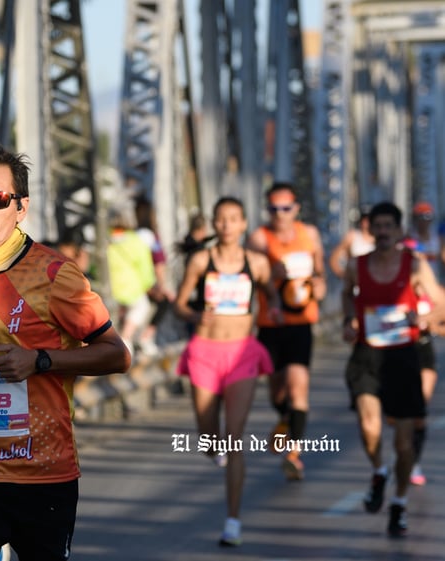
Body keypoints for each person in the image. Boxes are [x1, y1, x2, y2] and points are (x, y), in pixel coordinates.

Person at [0, 145, 131, 561]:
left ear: (21, 207)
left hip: (42, 472)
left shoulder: (56, 276)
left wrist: (41, 360)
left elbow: (116, 355)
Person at [174, 197, 280, 547]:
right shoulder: (202, 260)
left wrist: (276, 307)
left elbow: (270, 293)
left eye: (233, 219)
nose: (227, 225)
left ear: (244, 223)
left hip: (242, 354)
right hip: (204, 352)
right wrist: (193, 316)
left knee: (234, 437)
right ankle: (212, 448)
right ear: (215, 224)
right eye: (221, 219)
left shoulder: (258, 263)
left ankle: (232, 520)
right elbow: (179, 302)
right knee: (208, 434)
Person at [341, 200, 444, 538]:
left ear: (400, 232)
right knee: (369, 424)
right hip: (367, 354)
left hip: (402, 357)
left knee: (403, 443)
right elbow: (346, 295)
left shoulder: (414, 266)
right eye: (377, 226)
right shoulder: (357, 266)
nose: (383, 233)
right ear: (370, 230)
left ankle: (398, 502)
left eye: (389, 227)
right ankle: (378, 471)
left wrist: (425, 319)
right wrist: (348, 320)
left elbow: (440, 306)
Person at [246, 181, 326, 481]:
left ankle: (294, 452)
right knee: (278, 390)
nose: (280, 214)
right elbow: (245, 277)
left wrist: (320, 286)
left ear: (296, 209)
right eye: (274, 209)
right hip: (271, 324)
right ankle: (283, 417)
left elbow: (320, 274)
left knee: (298, 387)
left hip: (302, 323)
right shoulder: (259, 239)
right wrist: (268, 274)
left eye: (286, 208)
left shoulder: (310, 235)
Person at [401, 201, 441, 487]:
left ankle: (412, 459)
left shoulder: (437, 241)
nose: (424, 221)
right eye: (420, 217)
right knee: (400, 408)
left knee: (419, 404)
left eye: (428, 217)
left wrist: (433, 317)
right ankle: (402, 451)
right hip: (402, 330)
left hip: (431, 313)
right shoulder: (406, 243)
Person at [106, 199, 157, 359]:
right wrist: (149, 284)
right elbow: (145, 267)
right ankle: (126, 338)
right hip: (131, 288)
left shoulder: (105, 239)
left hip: (109, 288)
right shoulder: (135, 241)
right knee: (142, 307)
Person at [135, 197, 175, 357]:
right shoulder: (151, 237)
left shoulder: (134, 235)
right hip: (147, 282)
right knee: (164, 302)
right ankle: (146, 337)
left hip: (133, 282)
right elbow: (158, 262)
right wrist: (162, 285)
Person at [328, 206, 374, 278]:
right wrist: (345, 276)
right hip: (356, 282)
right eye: (364, 219)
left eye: (369, 219)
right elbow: (334, 258)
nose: (366, 222)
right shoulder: (352, 236)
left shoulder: (380, 239)